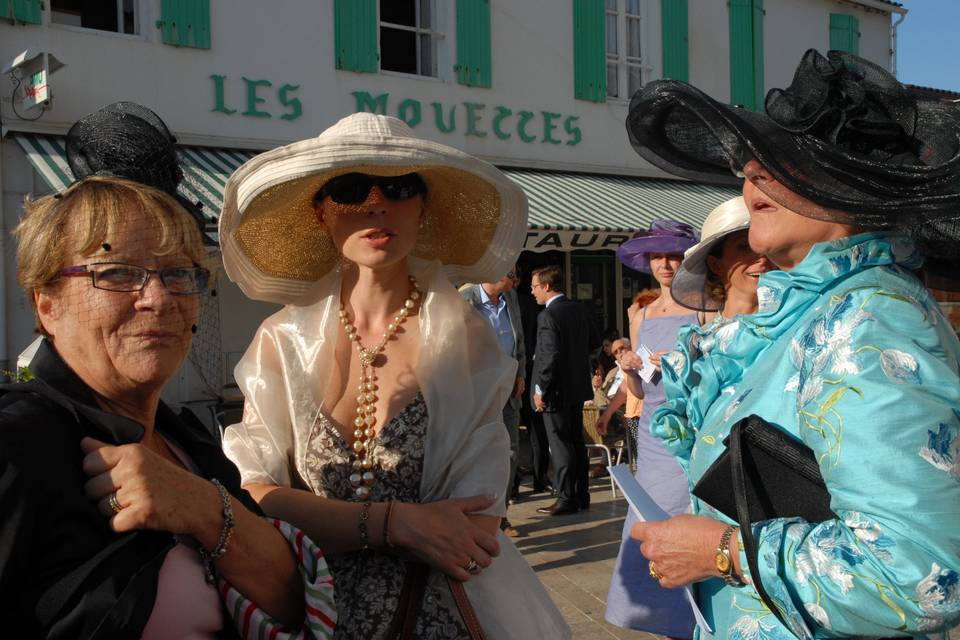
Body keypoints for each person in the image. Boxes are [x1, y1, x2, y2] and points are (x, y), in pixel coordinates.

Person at [627, 49, 960, 638]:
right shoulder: (816, 312)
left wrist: (728, 553)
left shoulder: (869, 319)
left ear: (852, 186)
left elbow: (920, 574)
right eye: (755, 155)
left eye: (785, 159)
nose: (752, 169)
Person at [218, 112, 570, 639]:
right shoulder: (282, 340)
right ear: (320, 213)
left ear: (423, 206)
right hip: (309, 612)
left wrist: (321, 518)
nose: (376, 204)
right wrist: (396, 524)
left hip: (435, 617)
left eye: (400, 186)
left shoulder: (466, 339)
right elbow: (253, 497)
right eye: (351, 188)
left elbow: (475, 528)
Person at [0, 103, 333, 639]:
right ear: (47, 304)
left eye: (178, 273)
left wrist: (203, 507)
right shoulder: (18, 446)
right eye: (116, 273)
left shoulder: (188, 445)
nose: (157, 298)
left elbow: (294, 600)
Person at [603, 220, 700, 637]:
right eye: (658, 256)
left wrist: (682, 364)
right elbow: (638, 387)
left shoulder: (705, 307)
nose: (666, 263)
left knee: (688, 521)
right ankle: (665, 620)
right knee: (651, 525)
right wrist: (628, 370)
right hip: (653, 435)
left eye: (674, 255)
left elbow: (720, 374)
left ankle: (694, 616)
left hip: (693, 430)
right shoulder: (641, 313)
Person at [529, 265, 601, 516]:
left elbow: (549, 356)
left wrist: (541, 389)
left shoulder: (548, 316)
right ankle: (581, 494)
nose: (532, 292)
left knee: (560, 445)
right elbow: (594, 342)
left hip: (555, 392)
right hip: (576, 388)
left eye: (535, 286)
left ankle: (565, 497)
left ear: (547, 287)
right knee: (576, 443)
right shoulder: (579, 309)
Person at [461, 268, 526, 537]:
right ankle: (474, 514)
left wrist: (521, 372)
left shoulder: (510, 300)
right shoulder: (466, 299)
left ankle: (500, 514)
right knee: (476, 453)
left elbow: (518, 339)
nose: (508, 276)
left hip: (508, 386)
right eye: (503, 269)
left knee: (509, 452)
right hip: (478, 389)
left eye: (511, 272)